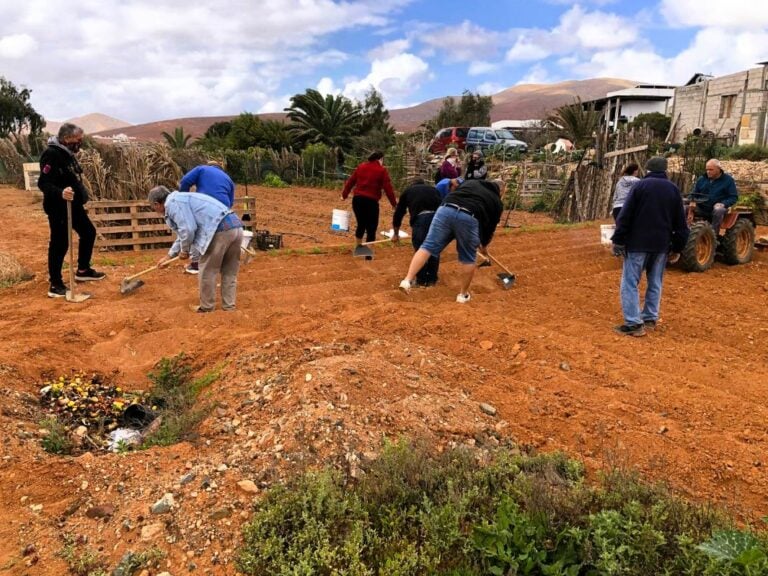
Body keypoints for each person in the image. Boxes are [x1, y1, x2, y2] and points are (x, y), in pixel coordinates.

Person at [611, 157, 689, 337]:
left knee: (630, 282)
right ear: (665, 170)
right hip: (662, 245)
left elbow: (625, 215)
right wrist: (677, 248)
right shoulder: (673, 190)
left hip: (638, 243)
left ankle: (633, 324)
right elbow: (681, 224)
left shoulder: (640, 187)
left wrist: (618, 240)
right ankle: (649, 318)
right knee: (655, 282)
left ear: (647, 169)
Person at [399, 179, 504, 303]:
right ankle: (463, 295)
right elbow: (489, 228)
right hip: (468, 216)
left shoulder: (471, 183)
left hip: (445, 210)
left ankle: (407, 280)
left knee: (427, 246)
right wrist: (484, 245)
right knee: (468, 257)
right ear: (501, 190)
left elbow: (454, 193)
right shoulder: (497, 201)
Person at [149, 186, 243, 313]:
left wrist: (185, 250)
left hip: (219, 230)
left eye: (153, 208)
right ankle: (229, 307)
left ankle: (207, 307)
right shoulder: (181, 198)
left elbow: (187, 229)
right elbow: (183, 233)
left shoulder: (172, 203)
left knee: (207, 271)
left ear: (157, 204)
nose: (155, 211)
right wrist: (169, 256)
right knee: (229, 271)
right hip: (235, 226)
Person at [37, 123, 105, 298]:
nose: (80, 143)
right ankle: (55, 283)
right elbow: (43, 183)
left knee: (88, 232)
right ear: (67, 139)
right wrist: (61, 193)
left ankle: (82, 270)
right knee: (60, 243)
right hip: (58, 206)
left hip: (73, 205)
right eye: (78, 140)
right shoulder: (51, 154)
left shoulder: (67, 154)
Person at [178, 160, 236, 274]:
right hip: (222, 209)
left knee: (197, 229)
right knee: (218, 234)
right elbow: (231, 202)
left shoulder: (202, 169)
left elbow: (185, 181)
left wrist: (183, 198)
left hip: (205, 206)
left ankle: (195, 264)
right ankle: (219, 262)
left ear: (209, 166)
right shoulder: (228, 178)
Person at [341, 151, 397, 253]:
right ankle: (368, 254)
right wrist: (394, 204)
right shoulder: (382, 170)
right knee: (371, 227)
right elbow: (388, 188)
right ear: (380, 159)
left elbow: (351, 181)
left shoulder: (361, 166)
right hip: (371, 202)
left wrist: (344, 195)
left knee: (361, 224)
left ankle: (359, 249)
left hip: (357, 200)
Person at [392, 178, 442, 287]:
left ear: (412, 185)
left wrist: (396, 233)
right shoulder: (434, 190)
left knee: (421, 249)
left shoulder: (408, 191)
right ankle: (432, 280)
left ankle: (421, 280)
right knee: (434, 248)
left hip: (421, 219)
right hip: (437, 219)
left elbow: (399, 213)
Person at [689, 158, 738, 236]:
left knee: (718, 210)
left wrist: (723, 204)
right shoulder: (701, 179)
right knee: (684, 207)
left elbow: (733, 197)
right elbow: (693, 193)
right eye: (707, 169)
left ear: (718, 169)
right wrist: (692, 201)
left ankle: (713, 236)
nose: (708, 171)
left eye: (711, 169)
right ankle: (684, 231)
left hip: (717, 208)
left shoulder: (728, 180)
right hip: (702, 207)